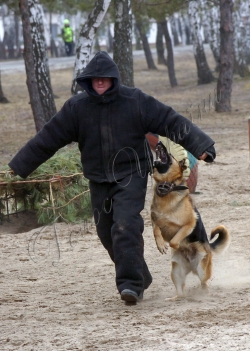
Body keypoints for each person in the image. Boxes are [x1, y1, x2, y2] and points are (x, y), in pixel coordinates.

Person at [8, 51, 215, 305]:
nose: (100, 82)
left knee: (125, 224)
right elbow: (47, 138)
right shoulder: (76, 108)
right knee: (107, 233)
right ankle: (139, 275)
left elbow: (170, 120)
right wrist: (18, 166)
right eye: (95, 79)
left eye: (105, 78)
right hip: (98, 179)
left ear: (114, 79)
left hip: (131, 174)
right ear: (88, 81)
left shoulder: (135, 101)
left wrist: (201, 145)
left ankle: (130, 286)